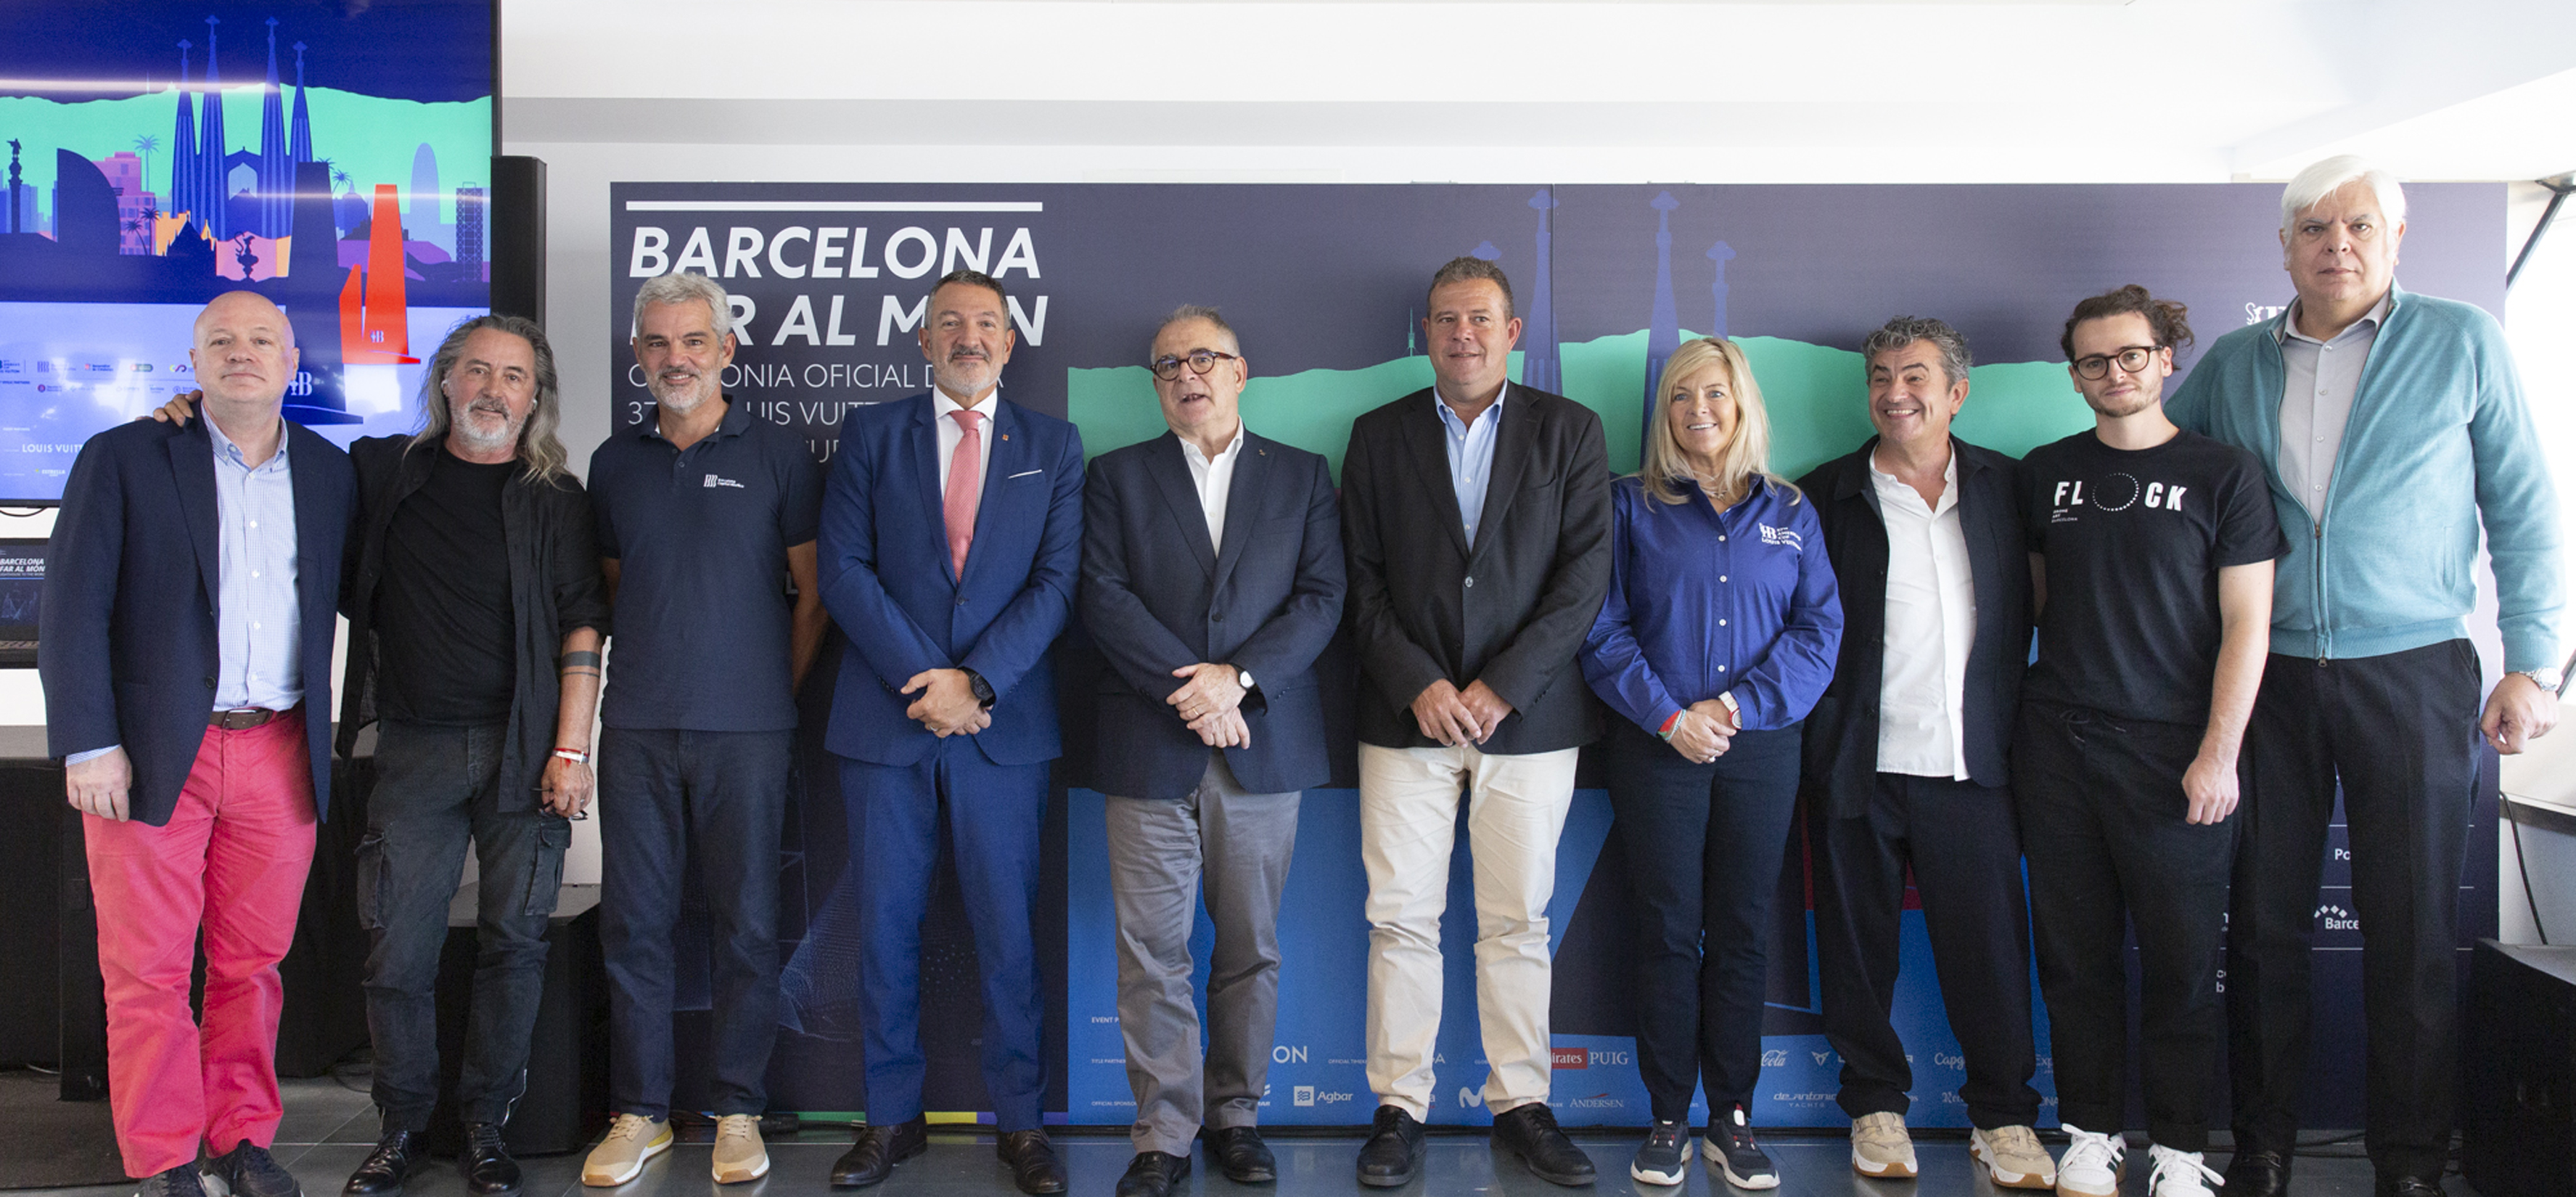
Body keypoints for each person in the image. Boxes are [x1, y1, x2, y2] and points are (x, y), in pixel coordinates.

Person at [2168, 155, 2565, 1197]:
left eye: (2356, 226)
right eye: (2312, 227)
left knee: (2410, 934)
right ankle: (2256, 1151)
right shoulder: (2234, 361)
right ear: (2285, 247)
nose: (2334, 243)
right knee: (2259, 931)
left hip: (2414, 669)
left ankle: (2409, 1167)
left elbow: (2522, 506)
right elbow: (2174, 480)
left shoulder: (2461, 341)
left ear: (2395, 239)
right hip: (2270, 680)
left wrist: (2534, 662)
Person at [41, 291, 354, 1197]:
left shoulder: (332, 475)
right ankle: (167, 1158)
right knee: (146, 970)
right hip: (149, 751)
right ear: (194, 362)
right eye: (222, 340)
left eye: (262, 339)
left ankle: (242, 1140)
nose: (242, 353)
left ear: (292, 362)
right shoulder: (126, 456)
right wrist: (87, 742)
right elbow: (71, 608)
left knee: (253, 966)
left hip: (280, 750)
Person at [1340, 257, 1612, 1189]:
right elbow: (1359, 577)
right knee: (1401, 920)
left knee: (1516, 923)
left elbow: (1583, 580)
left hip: (1527, 722)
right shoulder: (1376, 436)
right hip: (1403, 717)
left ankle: (1520, 1106)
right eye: (1446, 319)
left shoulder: (1569, 431)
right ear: (1426, 332)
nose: (1462, 334)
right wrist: (1417, 680)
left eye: (1480, 319)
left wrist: (1502, 685)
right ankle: (1398, 1108)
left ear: (1512, 333)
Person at [324, 314, 609, 1197]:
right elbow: (274, 455)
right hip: (414, 748)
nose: (494, 388)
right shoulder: (380, 473)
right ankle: (403, 1126)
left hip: (527, 753)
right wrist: (194, 407)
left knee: (515, 946)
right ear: (445, 380)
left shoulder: (557, 500)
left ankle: (487, 1127)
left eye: (514, 376)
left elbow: (581, 631)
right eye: (477, 370)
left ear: (535, 396)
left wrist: (570, 749)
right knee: (396, 955)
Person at [818, 268, 1082, 1195]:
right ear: (922, 341)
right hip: (888, 722)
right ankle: (891, 1121)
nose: (968, 337)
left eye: (985, 324)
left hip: (1000, 728)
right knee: (884, 932)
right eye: (949, 324)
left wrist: (975, 684)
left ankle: (1021, 1125)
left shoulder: (1052, 444)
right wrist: (923, 680)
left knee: (1009, 932)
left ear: (1010, 344)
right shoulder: (872, 433)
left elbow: (1056, 584)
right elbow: (844, 570)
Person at [2018, 286, 2284, 1197]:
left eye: (2131, 354)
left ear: (2167, 358)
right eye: (2094, 360)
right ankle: (2089, 1135)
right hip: (2058, 749)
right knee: (2075, 960)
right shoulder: (2044, 472)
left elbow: (2248, 624)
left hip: (2177, 757)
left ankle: (2179, 1148)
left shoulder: (2226, 475)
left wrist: (2219, 751)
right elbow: (2038, 605)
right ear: (2075, 374)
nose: (2114, 373)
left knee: (2179, 966)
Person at [1078, 306, 1345, 1197]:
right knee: (1151, 950)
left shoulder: (1303, 477)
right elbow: (1103, 595)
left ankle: (1236, 1116)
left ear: (1241, 371)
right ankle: (1162, 1131)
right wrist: (1192, 690)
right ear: (1155, 385)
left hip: (1261, 744)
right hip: (1148, 744)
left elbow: (1320, 598)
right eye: (1167, 366)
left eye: (1204, 359)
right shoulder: (1114, 478)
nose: (1187, 375)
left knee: (1251, 948)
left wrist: (1238, 681)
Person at [580, 273, 827, 1188]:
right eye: (656, 343)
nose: (674, 358)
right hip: (638, 727)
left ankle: (737, 1109)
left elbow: (813, 598)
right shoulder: (614, 462)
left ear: (727, 350)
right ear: (639, 354)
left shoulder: (781, 455)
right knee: (636, 926)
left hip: (750, 734)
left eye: (692, 341)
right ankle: (639, 1112)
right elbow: (618, 588)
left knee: (747, 928)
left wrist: (764, 692)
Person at [1581, 337, 1841, 1190]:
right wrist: (1667, 716)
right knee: (1663, 929)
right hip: (1656, 748)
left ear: (1743, 405)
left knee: (1740, 931)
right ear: (1664, 412)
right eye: (1683, 396)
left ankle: (1732, 1117)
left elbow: (1818, 632)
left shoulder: (1790, 511)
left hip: (1759, 749)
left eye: (1717, 394)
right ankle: (1667, 1117)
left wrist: (1730, 709)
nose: (1700, 409)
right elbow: (1601, 627)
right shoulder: (1628, 506)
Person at [1795, 318, 2050, 1188]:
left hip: (1973, 765)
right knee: (1856, 950)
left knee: (1987, 950)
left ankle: (2005, 1119)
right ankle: (1874, 1109)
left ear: (1955, 392)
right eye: (1879, 377)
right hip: (1854, 760)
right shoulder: (1821, 495)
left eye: (1913, 377)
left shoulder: (2009, 491)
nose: (1893, 393)